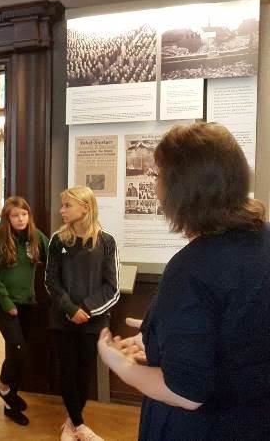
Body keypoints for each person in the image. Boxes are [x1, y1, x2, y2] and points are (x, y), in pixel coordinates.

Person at [98, 123, 270, 441]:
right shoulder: (263, 239)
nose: (155, 186)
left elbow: (187, 393)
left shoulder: (192, 267)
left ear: (180, 189)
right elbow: (239, 332)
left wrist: (120, 365)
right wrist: (162, 338)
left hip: (207, 428)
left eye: (158, 176)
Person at [45, 185, 119, 441]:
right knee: (67, 371)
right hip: (62, 319)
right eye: (62, 205)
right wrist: (70, 308)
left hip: (92, 321)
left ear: (85, 208)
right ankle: (79, 425)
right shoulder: (58, 240)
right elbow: (51, 281)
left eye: (67, 205)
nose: (61, 210)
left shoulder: (106, 241)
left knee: (84, 373)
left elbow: (111, 287)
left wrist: (84, 309)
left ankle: (71, 424)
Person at [0, 196, 48, 426]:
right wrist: (7, 302)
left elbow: (54, 255)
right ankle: (3, 387)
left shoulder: (36, 237)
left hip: (27, 302)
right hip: (3, 303)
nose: (21, 219)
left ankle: (10, 406)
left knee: (17, 353)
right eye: (15, 215)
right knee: (18, 350)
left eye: (24, 214)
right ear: (7, 218)